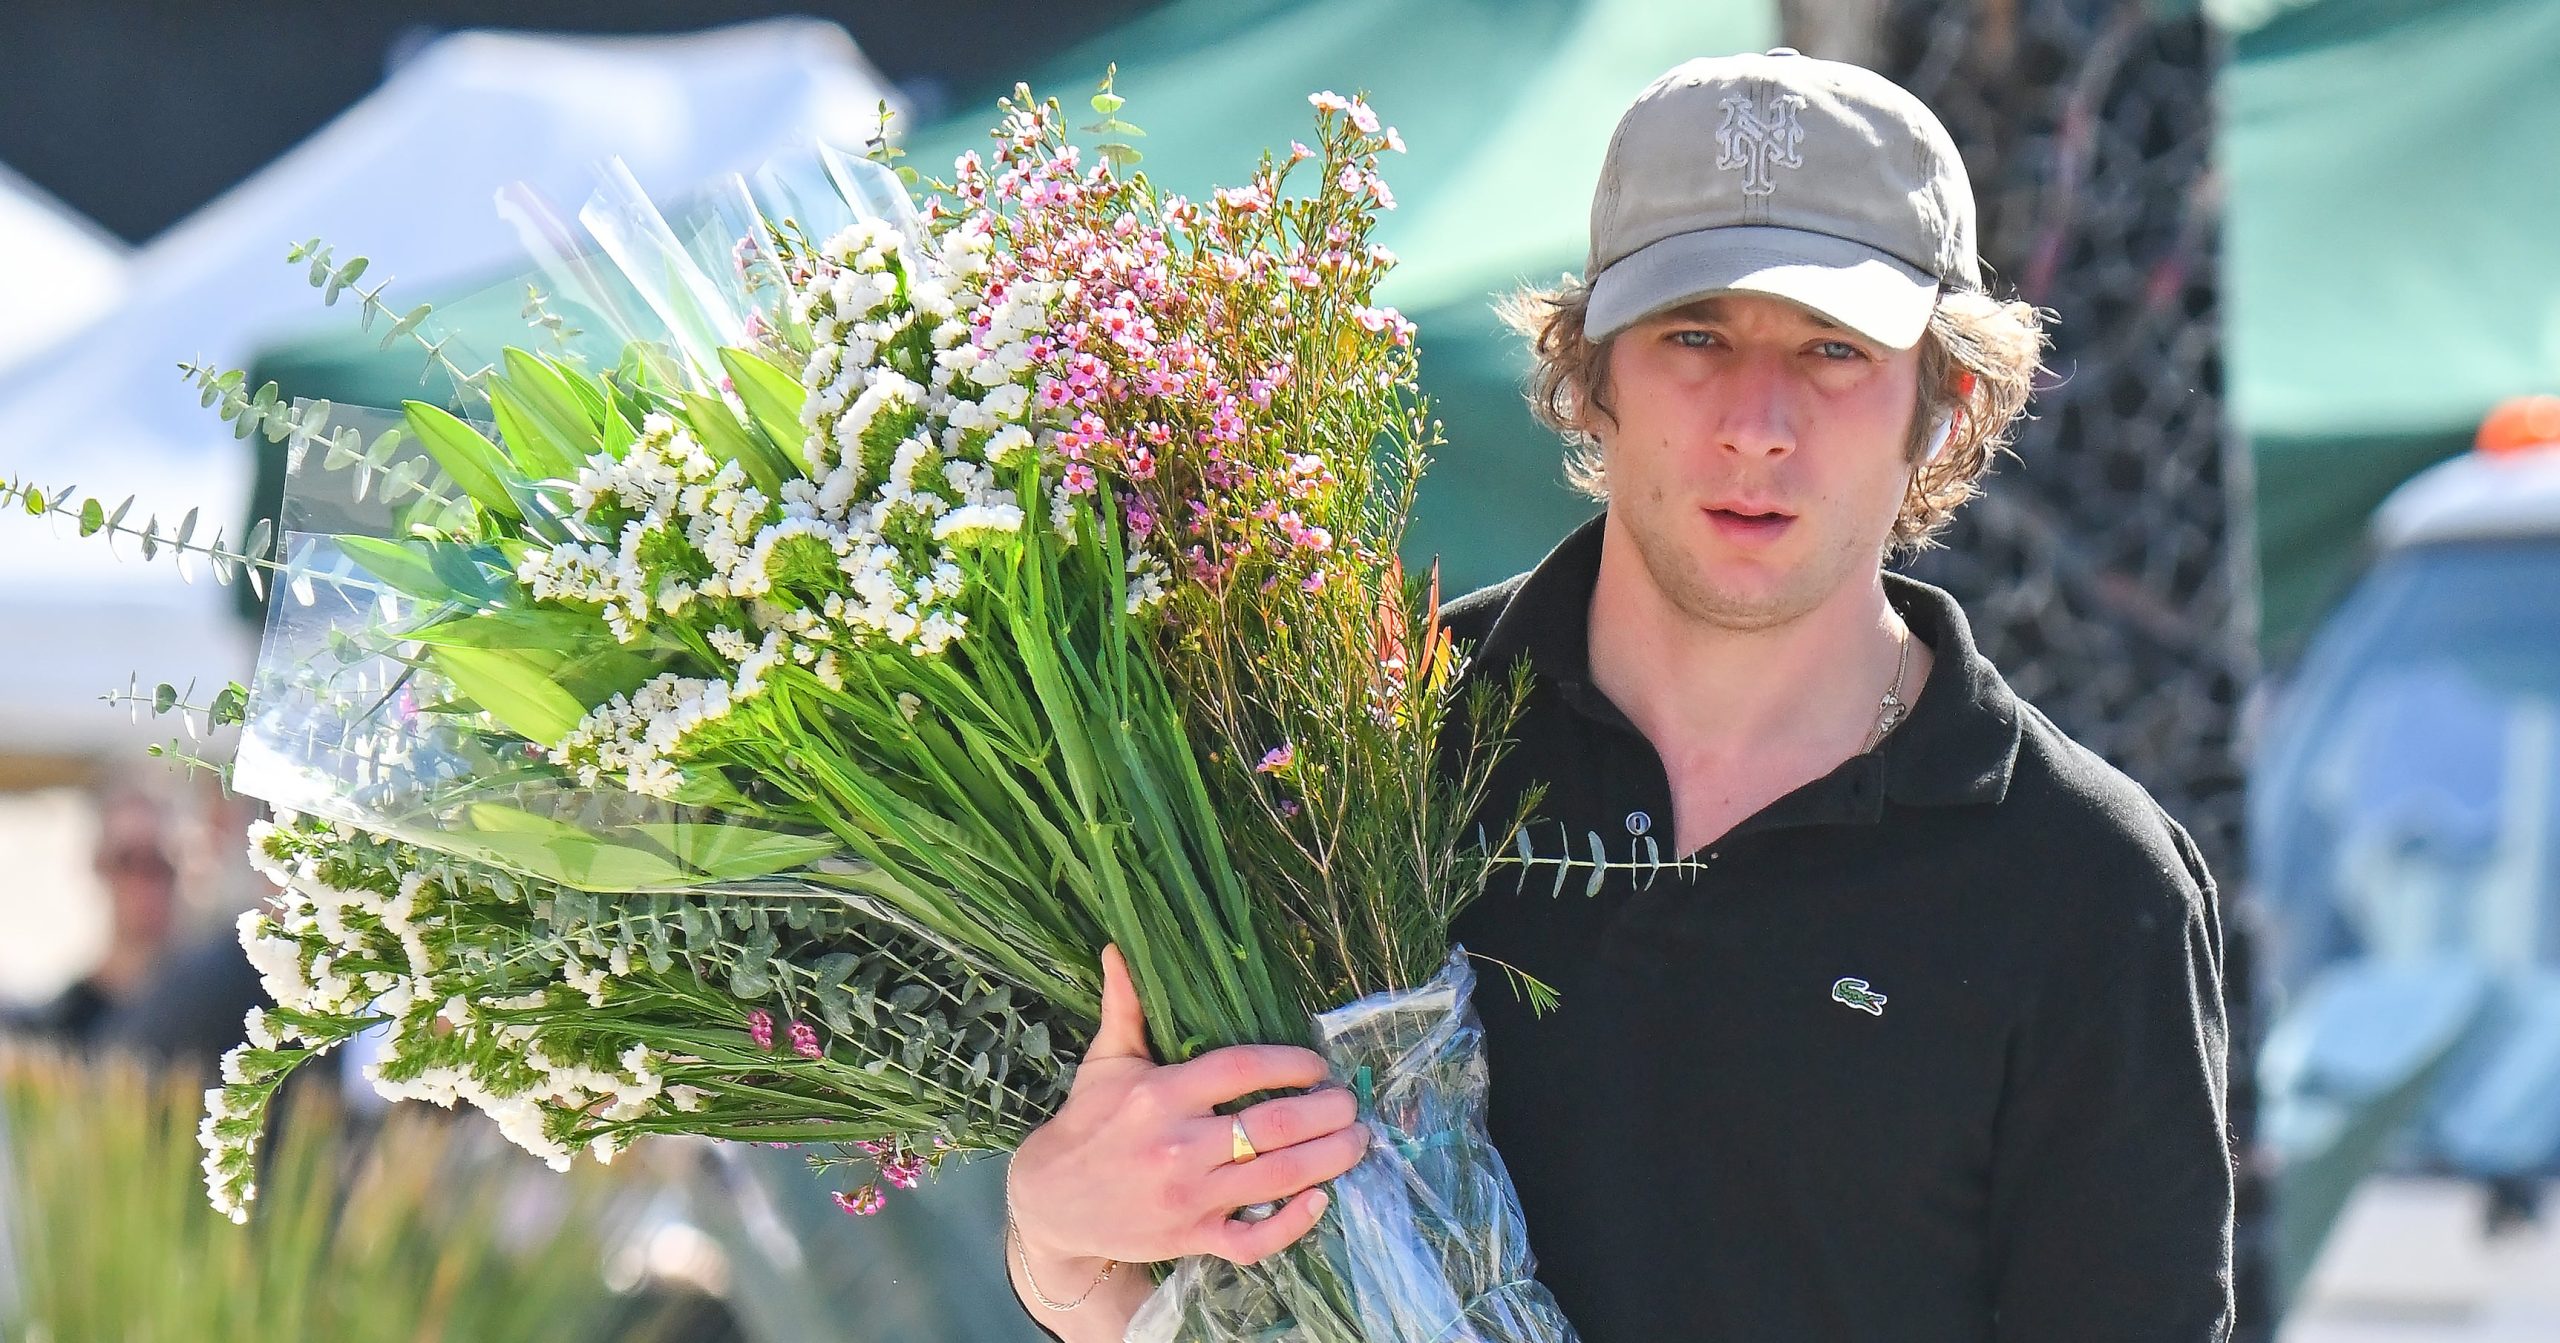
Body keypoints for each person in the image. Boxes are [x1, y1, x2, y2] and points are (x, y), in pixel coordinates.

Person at [1003, 49, 2235, 1341]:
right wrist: (1061, 1232)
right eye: (1694, 334)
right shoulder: (1346, 754)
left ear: (1946, 401)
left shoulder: (2088, 887)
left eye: (1832, 349)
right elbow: (1174, 1289)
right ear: (1591, 368)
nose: (1756, 421)